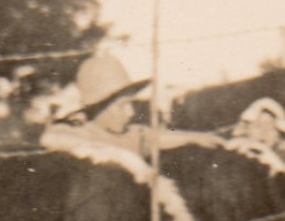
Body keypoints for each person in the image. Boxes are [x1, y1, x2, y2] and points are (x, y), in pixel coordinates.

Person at [41, 54, 220, 157]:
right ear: (97, 106)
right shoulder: (76, 135)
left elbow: (157, 137)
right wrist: (124, 159)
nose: (131, 113)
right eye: (122, 106)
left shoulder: (130, 134)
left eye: (131, 104)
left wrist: (196, 138)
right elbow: (52, 139)